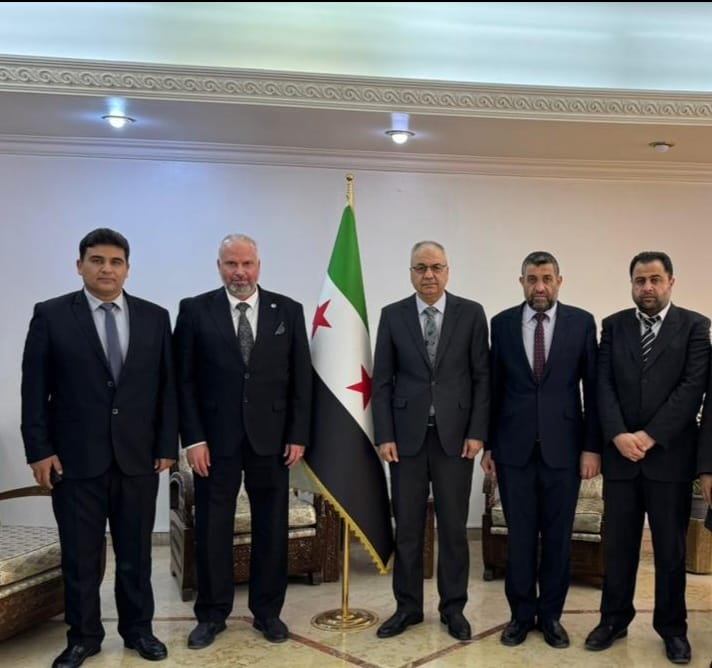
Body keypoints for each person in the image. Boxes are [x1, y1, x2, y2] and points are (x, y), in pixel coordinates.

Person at [20, 228, 177, 668]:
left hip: (138, 458)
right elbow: (34, 390)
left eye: (115, 261)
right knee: (81, 556)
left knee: (136, 554)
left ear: (127, 269)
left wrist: (167, 444)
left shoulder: (154, 317)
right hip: (73, 460)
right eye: (96, 260)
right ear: (80, 266)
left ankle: (138, 631)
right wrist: (39, 450)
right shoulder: (51, 315)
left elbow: (167, 388)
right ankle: (84, 636)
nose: (106, 269)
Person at [173, 233, 311, 649]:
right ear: (219, 266)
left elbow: (301, 378)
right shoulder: (195, 310)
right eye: (231, 264)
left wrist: (298, 434)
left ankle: (267, 612)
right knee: (213, 527)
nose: (239, 272)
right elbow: (184, 381)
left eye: (246, 263)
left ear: (258, 266)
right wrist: (193, 439)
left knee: (272, 527)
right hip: (215, 443)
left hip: (273, 440)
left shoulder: (288, 310)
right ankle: (212, 614)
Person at [585, 251, 710, 665]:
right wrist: (618, 434)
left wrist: (649, 435)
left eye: (655, 279)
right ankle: (613, 620)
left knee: (671, 552)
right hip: (621, 459)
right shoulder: (613, 326)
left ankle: (672, 629)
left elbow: (692, 388)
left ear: (671, 282)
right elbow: (602, 386)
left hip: (670, 459)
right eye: (640, 281)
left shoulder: (695, 327)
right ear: (632, 284)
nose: (648, 287)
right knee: (619, 547)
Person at [372, 240, 490, 641]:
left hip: (455, 440)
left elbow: (482, 378)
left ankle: (453, 609)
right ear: (410, 273)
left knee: (454, 528)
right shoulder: (392, 315)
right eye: (420, 268)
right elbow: (382, 381)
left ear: (447, 271)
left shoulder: (471, 313)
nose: (429, 275)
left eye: (436, 267)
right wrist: (384, 435)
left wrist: (477, 432)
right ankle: (407, 608)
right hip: (405, 440)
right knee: (407, 528)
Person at [482, 251, 600, 649]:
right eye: (532, 279)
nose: (540, 287)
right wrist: (489, 445)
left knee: (557, 538)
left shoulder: (581, 323)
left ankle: (550, 617)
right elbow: (493, 388)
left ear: (559, 281)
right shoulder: (501, 324)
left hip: (564, 451)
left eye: (547, 278)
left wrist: (591, 448)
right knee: (519, 538)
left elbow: (592, 390)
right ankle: (520, 616)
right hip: (512, 450)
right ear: (521, 282)